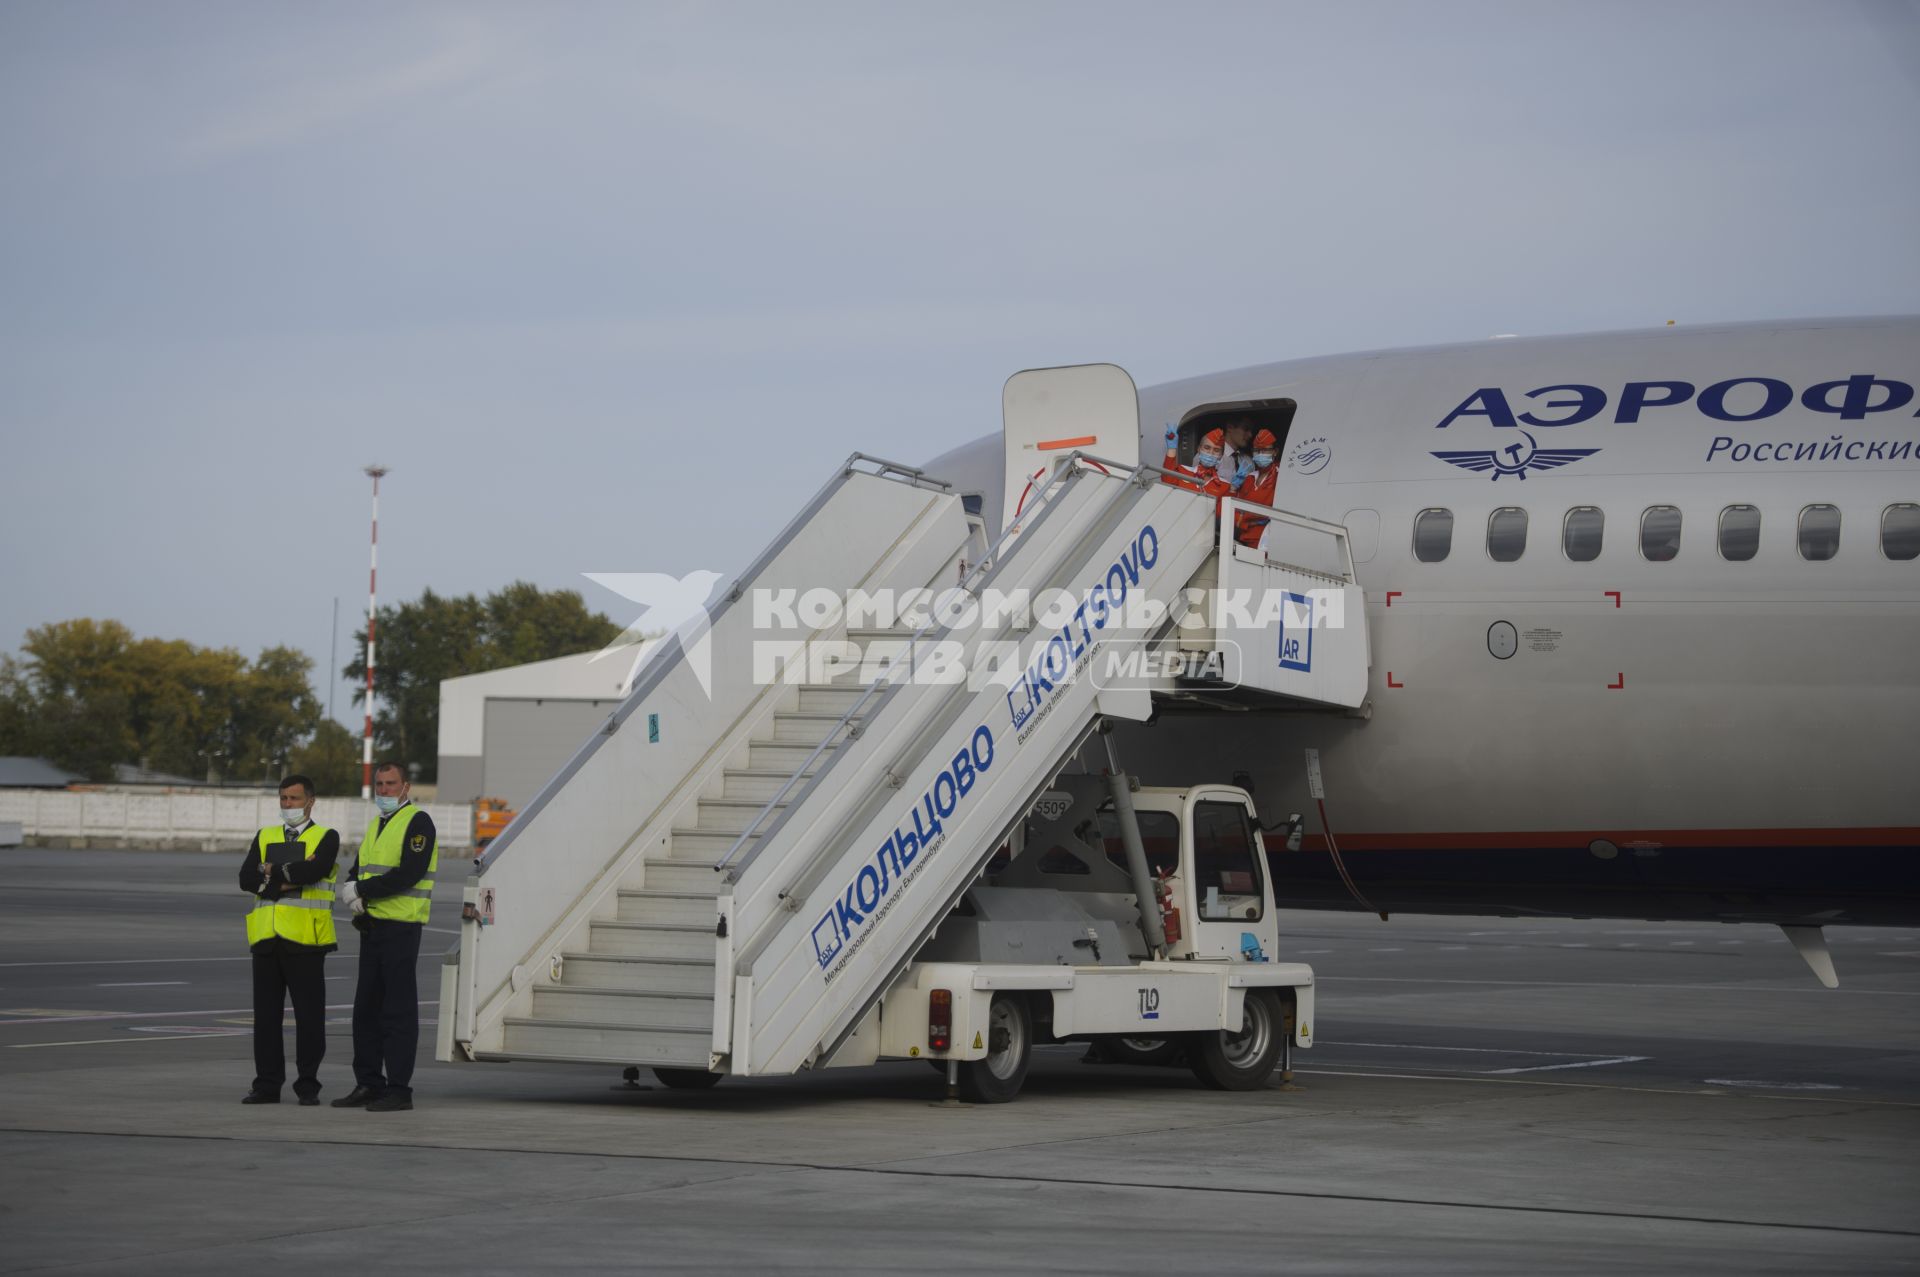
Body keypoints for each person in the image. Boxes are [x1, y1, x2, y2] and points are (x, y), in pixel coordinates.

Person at [330, 761, 437, 1113]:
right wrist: (354, 886)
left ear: (406, 786)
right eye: (380, 784)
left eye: (391, 784)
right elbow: (360, 866)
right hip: (373, 926)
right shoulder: (378, 823)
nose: (385, 790)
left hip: (401, 927)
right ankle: (369, 1082)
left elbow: (409, 872)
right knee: (366, 1011)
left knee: (398, 1012)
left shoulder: (418, 822)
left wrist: (362, 889)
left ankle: (399, 1089)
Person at [238, 774, 339, 1105]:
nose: (288, 805)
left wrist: (269, 871)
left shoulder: (326, 837)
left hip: (305, 940)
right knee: (266, 1018)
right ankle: (267, 1085)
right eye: (283, 798)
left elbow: (315, 873)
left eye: (294, 799)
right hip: (267, 938)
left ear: (310, 801)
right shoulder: (265, 835)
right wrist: (284, 878)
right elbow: (245, 878)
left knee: (309, 1018)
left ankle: (307, 1085)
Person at [1233, 428, 1282, 548]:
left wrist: (1244, 518)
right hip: (1243, 536)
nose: (1260, 454)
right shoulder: (1249, 478)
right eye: (1257, 450)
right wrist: (1232, 488)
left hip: (1266, 538)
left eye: (1265, 450)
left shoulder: (1280, 475)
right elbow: (1236, 508)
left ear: (1275, 452)